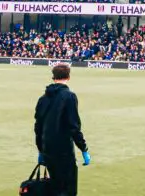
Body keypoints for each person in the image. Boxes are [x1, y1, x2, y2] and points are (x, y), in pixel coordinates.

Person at [34, 63, 90, 196]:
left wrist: (40, 149)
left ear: (53, 77)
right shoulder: (69, 96)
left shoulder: (43, 98)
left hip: (47, 148)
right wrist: (83, 148)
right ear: (68, 77)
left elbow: (38, 127)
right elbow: (74, 126)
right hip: (64, 151)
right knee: (68, 189)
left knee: (54, 187)